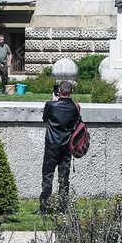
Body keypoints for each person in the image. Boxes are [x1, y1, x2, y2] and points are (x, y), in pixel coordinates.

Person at [40, 78, 80, 213]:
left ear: (59, 91)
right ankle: (62, 207)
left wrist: (54, 101)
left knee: (47, 176)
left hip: (52, 145)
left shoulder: (51, 105)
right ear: (71, 91)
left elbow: (45, 119)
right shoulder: (75, 106)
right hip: (66, 146)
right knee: (64, 177)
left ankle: (44, 207)